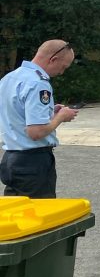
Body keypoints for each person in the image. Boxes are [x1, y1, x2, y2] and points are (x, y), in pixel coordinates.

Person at [0, 40, 80, 198]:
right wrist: (61, 117)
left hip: (10, 158)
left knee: (15, 216)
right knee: (39, 217)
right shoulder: (38, 84)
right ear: (53, 60)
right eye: (63, 67)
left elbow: (16, 113)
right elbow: (36, 132)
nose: (61, 72)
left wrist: (49, 112)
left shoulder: (9, 79)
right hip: (33, 162)